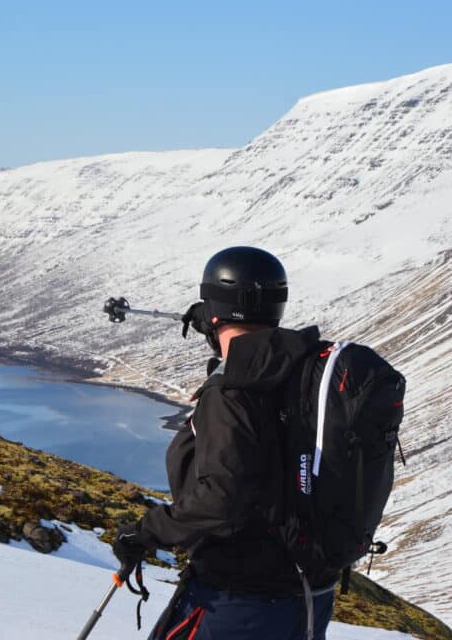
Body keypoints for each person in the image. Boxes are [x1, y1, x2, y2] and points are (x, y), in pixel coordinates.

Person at [112, 246, 338, 640]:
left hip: (237, 599)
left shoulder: (232, 391)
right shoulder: (302, 371)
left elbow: (222, 497)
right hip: (307, 599)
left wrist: (147, 531)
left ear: (214, 309)